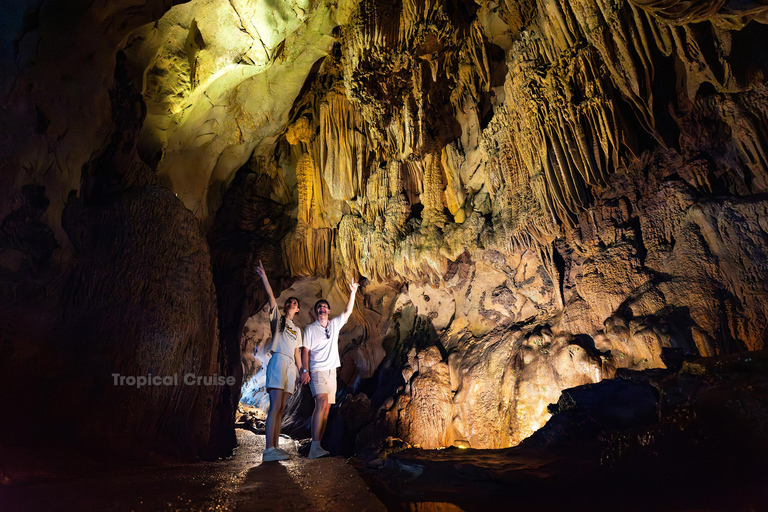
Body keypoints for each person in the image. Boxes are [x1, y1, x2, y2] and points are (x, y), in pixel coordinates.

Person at [301, 281, 359, 459]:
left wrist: (353, 292)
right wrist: (304, 370)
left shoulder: (334, 325)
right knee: (321, 402)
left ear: (328, 311)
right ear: (316, 312)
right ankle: (314, 444)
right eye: (319, 307)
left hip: (331, 371)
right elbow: (305, 350)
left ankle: (318, 445)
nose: (322, 309)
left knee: (326, 408)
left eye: (325, 307)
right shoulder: (310, 329)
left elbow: (348, 312)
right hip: (317, 370)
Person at [256, 260, 303, 462]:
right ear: (286, 307)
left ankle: (274, 447)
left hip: (290, 366)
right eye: (290, 302)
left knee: (282, 409)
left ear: (298, 310)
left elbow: (297, 352)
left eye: (295, 303)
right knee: (275, 407)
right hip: (277, 361)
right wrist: (264, 276)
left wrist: (302, 371)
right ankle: (268, 449)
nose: (292, 304)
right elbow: (270, 297)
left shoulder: (297, 330)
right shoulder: (279, 319)